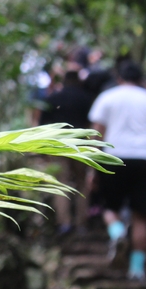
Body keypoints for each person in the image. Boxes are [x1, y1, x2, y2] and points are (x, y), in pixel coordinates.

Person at [88, 61, 146, 280]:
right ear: (141, 80)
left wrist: (92, 168)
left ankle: (117, 234)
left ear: (119, 79)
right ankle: (137, 270)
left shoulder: (107, 97)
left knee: (109, 208)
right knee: (141, 217)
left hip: (112, 157)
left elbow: (96, 135)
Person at [39, 70, 96, 235]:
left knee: (61, 183)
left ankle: (64, 223)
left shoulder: (53, 98)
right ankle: (81, 223)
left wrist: (43, 150)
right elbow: (93, 123)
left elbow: (43, 125)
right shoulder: (86, 98)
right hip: (80, 144)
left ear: (64, 81)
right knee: (82, 183)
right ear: (78, 81)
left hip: (59, 145)